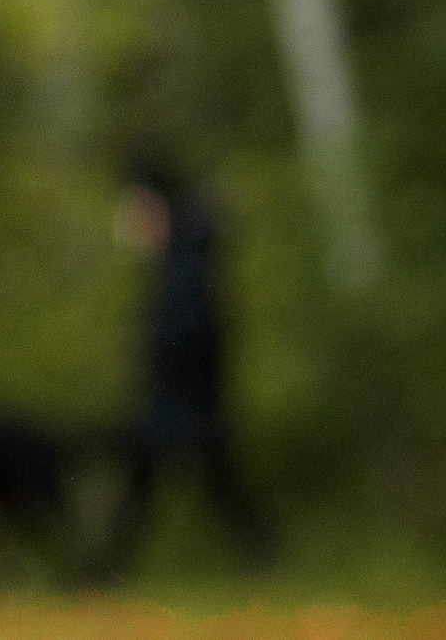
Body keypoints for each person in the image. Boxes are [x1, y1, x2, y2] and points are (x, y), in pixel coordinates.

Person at [84, 157, 275, 582]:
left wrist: (171, 394)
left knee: (169, 487)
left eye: (137, 209)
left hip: (180, 405)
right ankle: (98, 575)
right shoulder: (185, 257)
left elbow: (189, 334)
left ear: (158, 206)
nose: (131, 223)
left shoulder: (186, 263)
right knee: (194, 488)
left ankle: (96, 576)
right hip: (185, 404)